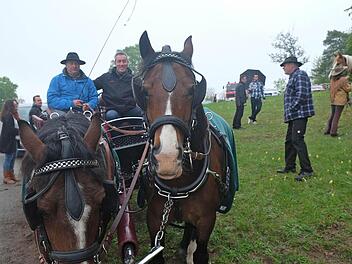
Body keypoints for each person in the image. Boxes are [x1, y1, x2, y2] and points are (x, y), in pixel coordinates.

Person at [277, 56, 315, 181]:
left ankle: (307, 170)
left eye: (285, 65)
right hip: (294, 116)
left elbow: (302, 94)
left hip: (299, 114)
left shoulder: (300, 75)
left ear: (292, 65)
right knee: (289, 141)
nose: (283, 67)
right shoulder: (293, 77)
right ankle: (290, 166)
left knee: (297, 140)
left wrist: (292, 108)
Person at [94, 50, 143, 120]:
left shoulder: (134, 79)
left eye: (124, 61)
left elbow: (145, 91)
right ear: (115, 63)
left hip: (130, 109)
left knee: (142, 114)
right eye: (119, 61)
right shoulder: (106, 77)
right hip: (112, 110)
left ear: (127, 63)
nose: (121, 64)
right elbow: (91, 87)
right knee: (111, 115)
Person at [324, 65, 351, 137]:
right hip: (340, 100)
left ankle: (328, 130)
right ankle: (333, 132)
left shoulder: (332, 79)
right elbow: (347, 89)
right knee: (336, 116)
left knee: (332, 115)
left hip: (333, 99)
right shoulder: (343, 79)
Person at [0, 100, 20, 184]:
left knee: (13, 157)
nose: (16, 106)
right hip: (8, 140)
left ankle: (12, 175)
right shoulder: (8, 116)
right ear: (10, 106)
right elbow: (9, 130)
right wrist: (19, 131)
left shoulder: (11, 115)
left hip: (12, 139)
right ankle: (6, 177)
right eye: (15, 105)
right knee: (9, 158)